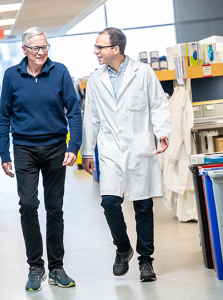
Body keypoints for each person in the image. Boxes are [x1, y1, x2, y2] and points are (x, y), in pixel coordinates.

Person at [81, 27, 171, 282]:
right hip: (110, 149)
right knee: (110, 202)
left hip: (139, 146)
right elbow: (92, 116)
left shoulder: (143, 73)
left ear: (115, 49)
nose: (95, 51)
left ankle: (146, 261)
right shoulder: (96, 78)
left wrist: (163, 132)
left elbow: (158, 104)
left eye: (100, 47)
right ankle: (123, 248)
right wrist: (88, 151)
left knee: (143, 205)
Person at [0, 27, 82, 292]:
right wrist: (3, 153)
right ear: (24, 50)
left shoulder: (60, 72)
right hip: (24, 149)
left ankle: (56, 268)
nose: (41, 52)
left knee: (55, 208)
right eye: (35, 48)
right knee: (27, 205)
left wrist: (74, 145)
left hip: (57, 148)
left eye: (44, 47)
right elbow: (3, 118)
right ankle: (36, 265)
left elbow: (75, 113)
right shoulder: (12, 76)